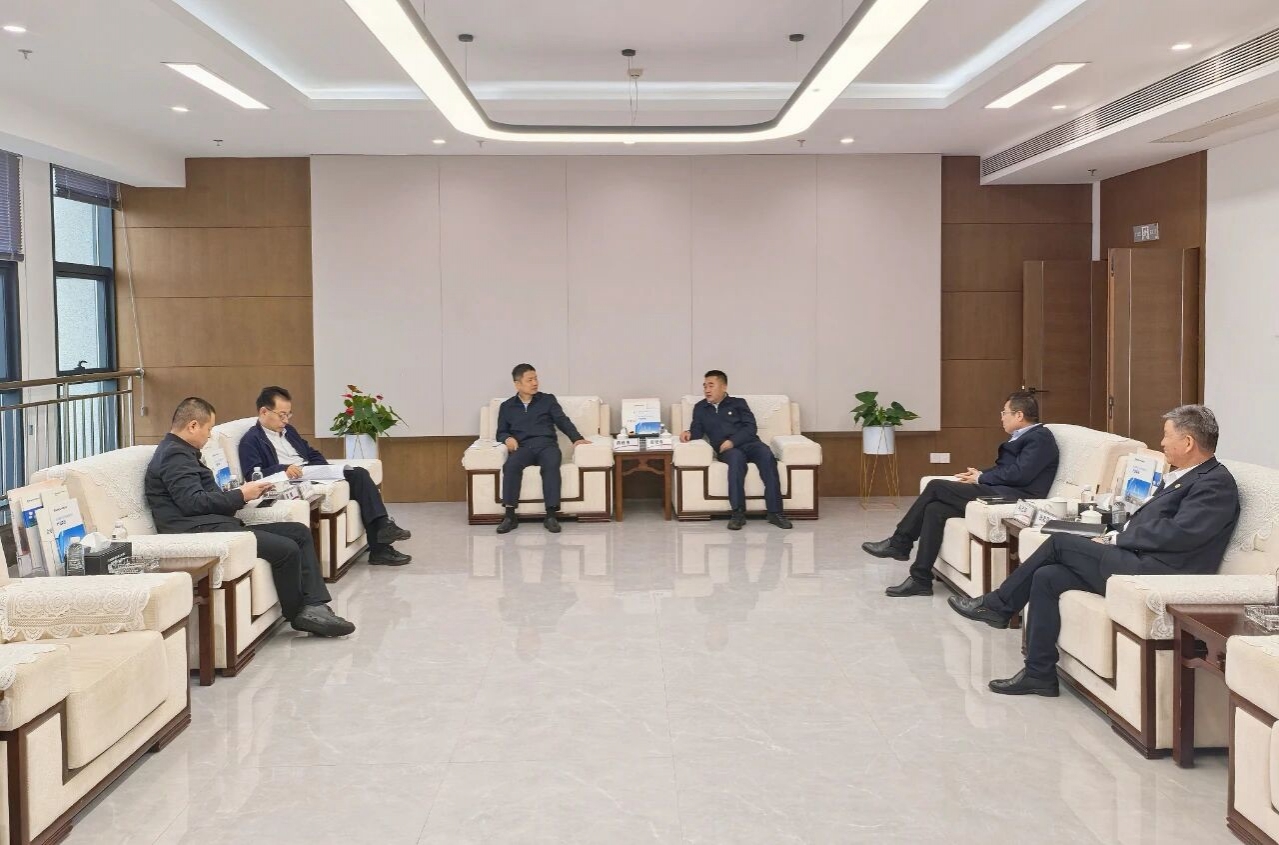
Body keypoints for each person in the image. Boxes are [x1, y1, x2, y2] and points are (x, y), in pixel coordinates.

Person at [950, 405, 1238, 696]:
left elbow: (1180, 534)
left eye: (1166, 436)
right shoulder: (1185, 475)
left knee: (1060, 542)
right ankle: (1039, 673)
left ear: (1187, 442)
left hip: (1159, 570)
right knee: (1047, 577)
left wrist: (1117, 539)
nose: (1161, 443)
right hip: (1138, 557)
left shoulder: (1215, 483)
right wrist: (1111, 533)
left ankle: (998, 605)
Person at [145, 397, 355, 637]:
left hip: (214, 524)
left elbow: (201, 498)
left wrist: (243, 494)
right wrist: (241, 495)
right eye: (209, 429)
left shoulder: (182, 452)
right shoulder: (174, 455)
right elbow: (193, 503)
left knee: (298, 531)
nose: (210, 436)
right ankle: (298, 613)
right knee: (286, 548)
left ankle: (315, 606)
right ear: (193, 425)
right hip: (199, 531)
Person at [867, 390, 1058, 597]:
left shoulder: (1040, 438)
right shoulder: (1027, 437)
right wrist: (980, 473)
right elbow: (1007, 469)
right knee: (935, 509)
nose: (1001, 417)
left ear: (1019, 415)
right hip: (1003, 490)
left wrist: (981, 478)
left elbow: (1020, 474)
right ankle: (920, 579)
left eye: (1004, 413)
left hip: (1015, 497)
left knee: (936, 486)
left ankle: (900, 543)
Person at [238, 386, 411, 566]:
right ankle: (381, 544)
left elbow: (311, 453)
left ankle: (382, 532)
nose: (286, 420)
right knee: (359, 479)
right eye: (282, 415)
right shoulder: (251, 440)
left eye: (288, 415)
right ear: (264, 411)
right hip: (292, 481)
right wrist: (284, 469)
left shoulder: (289, 431)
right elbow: (254, 475)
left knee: (359, 475)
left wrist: (323, 469)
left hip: (312, 473)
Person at [680, 370, 793, 531]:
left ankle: (775, 513)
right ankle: (738, 513)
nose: (707, 390)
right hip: (726, 450)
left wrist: (733, 441)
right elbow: (697, 431)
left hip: (749, 443)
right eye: (705, 386)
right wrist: (688, 433)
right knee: (736, 459)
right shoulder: (700, 408)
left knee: (767, 455)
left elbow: (751, 427)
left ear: (724, 387)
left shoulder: (739, 403)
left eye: (711, 385)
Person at [495, 364, 590, 535]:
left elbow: (562, 421)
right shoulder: (507, 406)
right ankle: (509, 516)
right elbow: (501, 432)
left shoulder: (547, 400)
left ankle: (551, 515)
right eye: (530, 380)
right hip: (523, 447)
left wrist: (577, 438)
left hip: (547, 446)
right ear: (517, 384)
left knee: (551, 465)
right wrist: (507, 438)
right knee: (511, 465)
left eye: (536, 378)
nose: (535, 383)